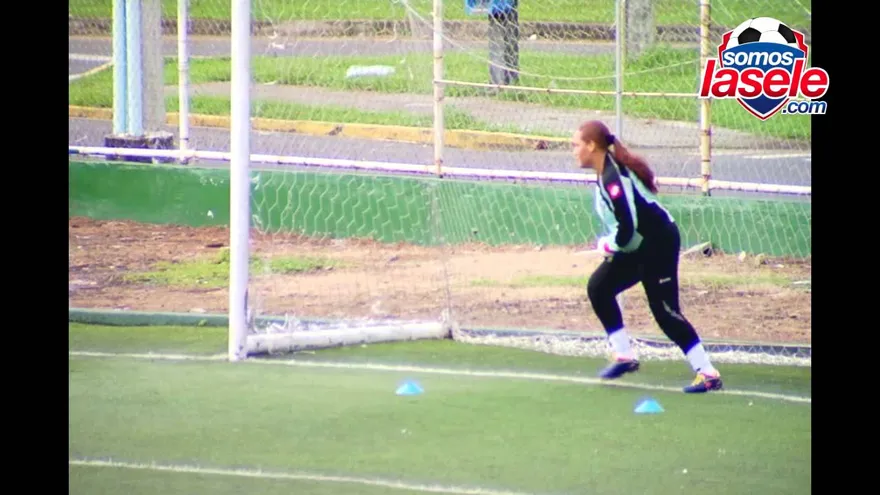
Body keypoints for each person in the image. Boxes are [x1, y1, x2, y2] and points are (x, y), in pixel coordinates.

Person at [571, 120, 722, 393]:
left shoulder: (612, 179)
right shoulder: (604, 174)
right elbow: (626, 230)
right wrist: (615, 244)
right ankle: (624, 356)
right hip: (637, 246)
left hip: (658, 243)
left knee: (664, 311)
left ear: (592, 146)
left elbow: (628, 227)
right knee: (599, 287)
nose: (574, 151)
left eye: (576, 145)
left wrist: (609, 246)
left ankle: (708, 373)